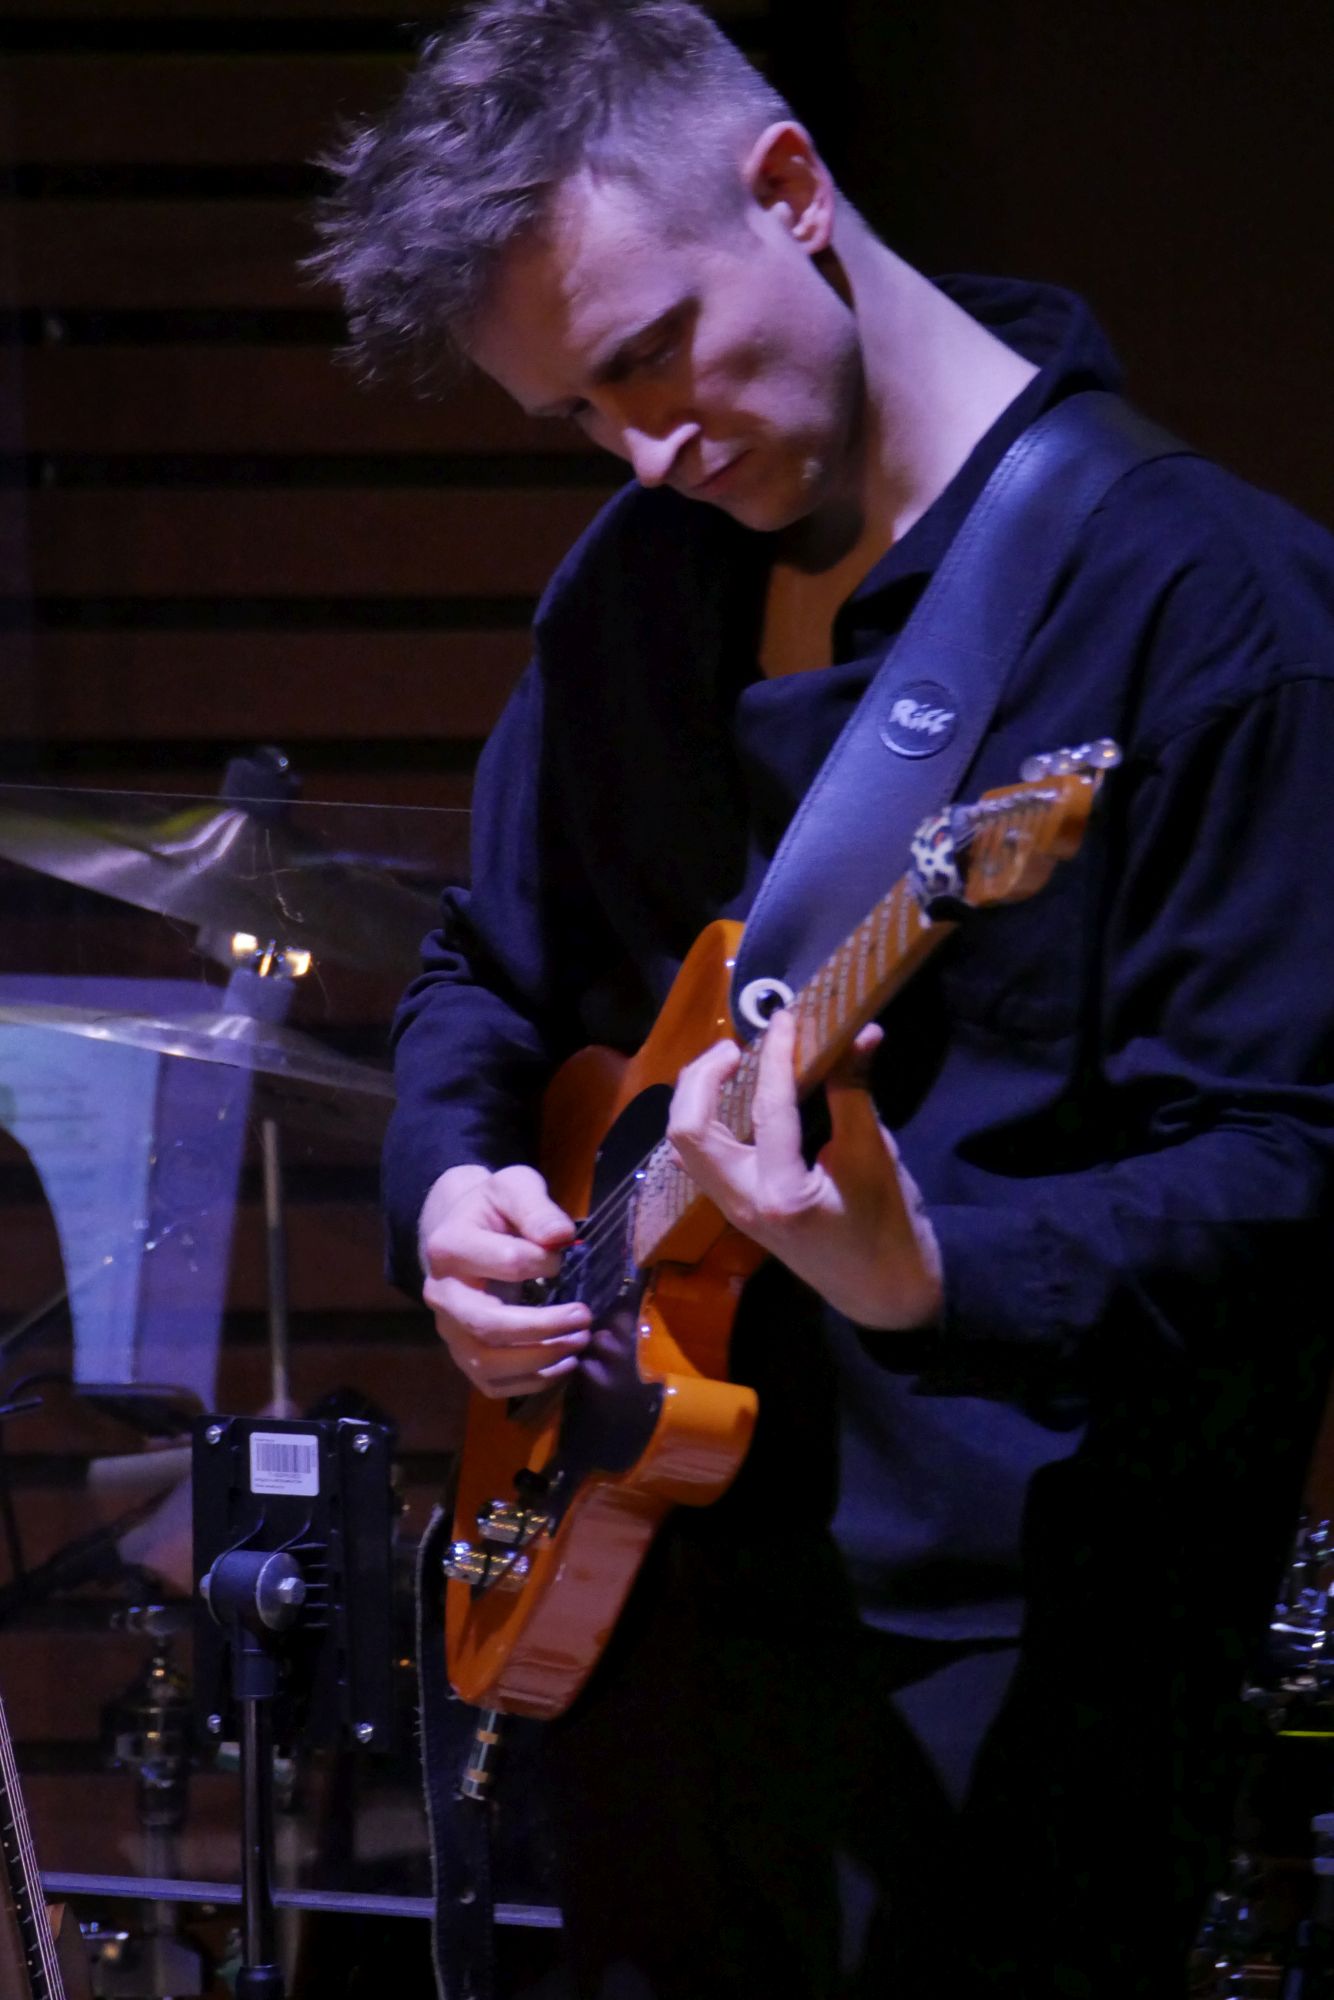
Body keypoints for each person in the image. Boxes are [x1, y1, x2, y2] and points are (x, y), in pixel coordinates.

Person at [311, 2, 1334, 1992]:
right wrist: (445, 1187)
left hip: (1007, 1678)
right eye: (579, 415)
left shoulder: (1212, 614)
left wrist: (926, 1266)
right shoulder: (635, 584)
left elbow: (1288, 1170)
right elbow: (484, 967)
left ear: (788, 190)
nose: (644, 451)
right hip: (639, 1596)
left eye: (648, 357)